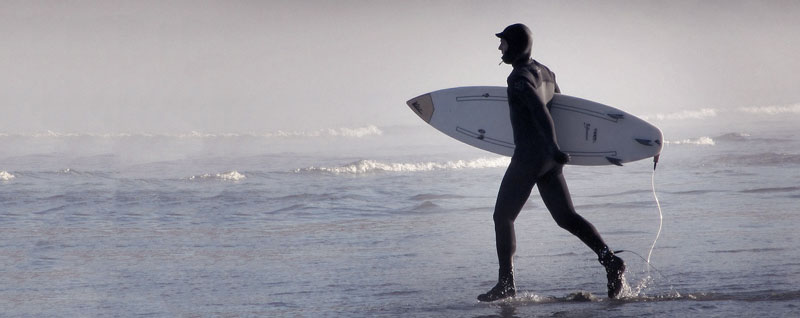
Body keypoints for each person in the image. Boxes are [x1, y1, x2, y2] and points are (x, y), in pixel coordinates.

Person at [477, 23, 626, 302]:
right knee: (566, 217)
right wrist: (559, 152)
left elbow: (539, 110)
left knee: (503, 217)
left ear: (517, 45)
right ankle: (610, 261)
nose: (499, 48)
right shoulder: (546, 72)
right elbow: (564, 110)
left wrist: (552, 146)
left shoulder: (519, 78)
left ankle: (506, 283)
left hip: (531, 155)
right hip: (548, 159)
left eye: (504, 43)